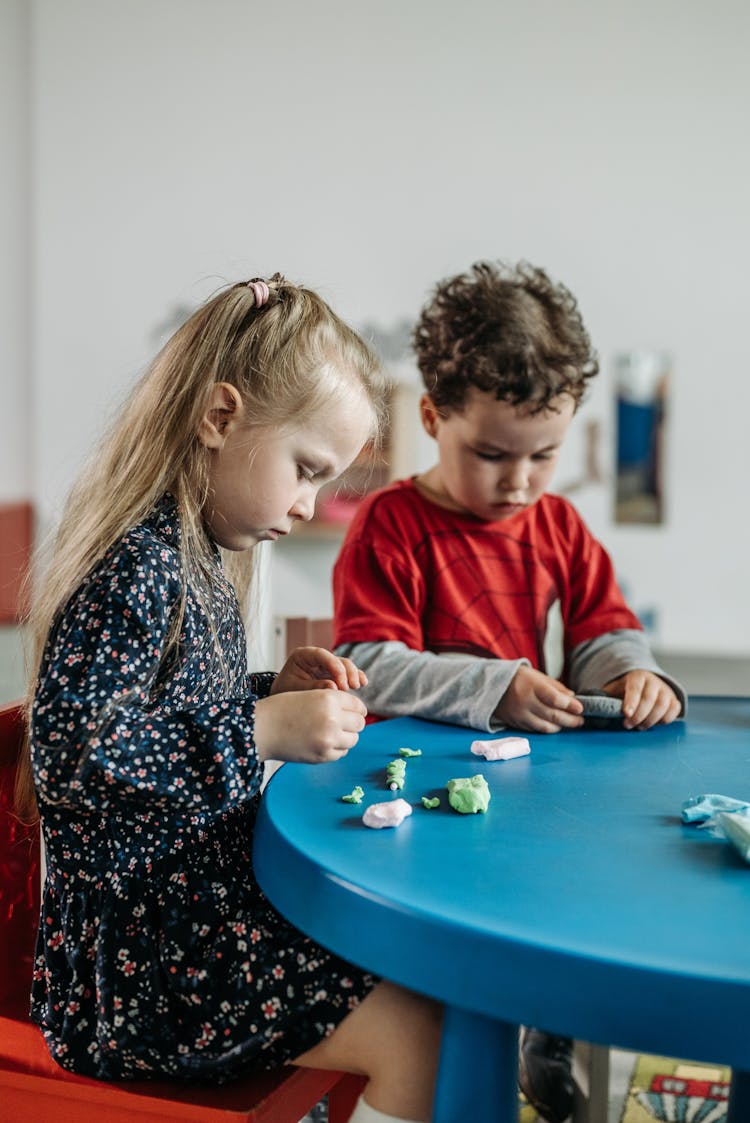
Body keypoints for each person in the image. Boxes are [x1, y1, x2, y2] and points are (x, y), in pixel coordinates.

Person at [16, 275, 441, 1123]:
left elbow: (161, 709)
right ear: (220, 418)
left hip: (183, 937)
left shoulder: (197, 557)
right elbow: (74, 756)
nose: (310, 505)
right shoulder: (141, 568)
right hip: (139, 978)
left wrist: (265, 691)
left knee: (420, 965)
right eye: (306, 470)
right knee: (416, 1028)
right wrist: (261, 728)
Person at [332, 260, 686, 1123]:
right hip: (406, 797)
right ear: (431, 417)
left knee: (555, 905)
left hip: (523, 789)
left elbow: (605, 623)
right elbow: (367, 660)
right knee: (433, 950)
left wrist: (630, 674)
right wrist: (498, 686)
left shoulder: (559, 524)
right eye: (490, 454)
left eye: (545, 455)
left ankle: (545, 1032)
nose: (520, 481)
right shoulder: (391, 522)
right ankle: (429, 1043)